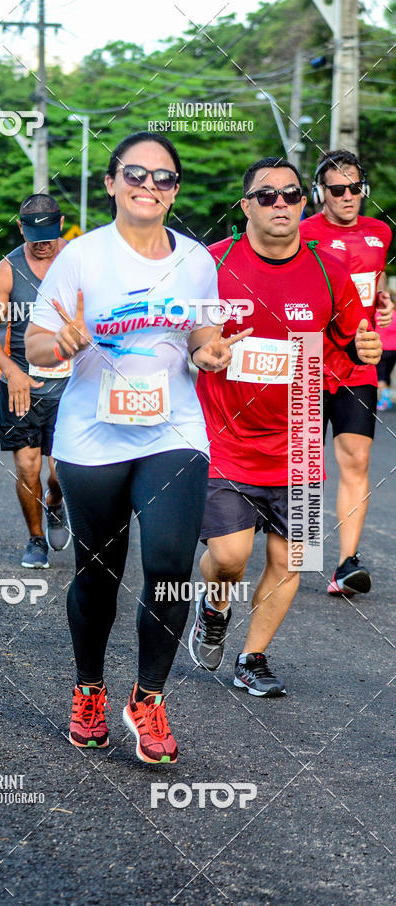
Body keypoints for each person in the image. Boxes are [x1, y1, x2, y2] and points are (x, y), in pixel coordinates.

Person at [26, 131, 246, 764]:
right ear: (112, 183)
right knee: (99, 573)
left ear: (175, 191)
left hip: (173, 431)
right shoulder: (80, 259)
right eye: (137, 175)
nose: (149, 187)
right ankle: (88, 688)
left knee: (173, 565)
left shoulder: (197, 259)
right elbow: (37, 347)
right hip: (92, 438)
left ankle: (147, 698)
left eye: (163, 179)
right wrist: (61, 344)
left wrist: (210, 351)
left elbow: (204, 334)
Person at [189, 157, 381, 696]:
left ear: (304, 203)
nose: (280, 204)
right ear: (245, 204)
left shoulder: (328, 271)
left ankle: (252, 657)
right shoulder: (214, 263)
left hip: (298, 431)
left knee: (292, 557)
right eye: (266, 195)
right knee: (228, 558)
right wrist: (204, 353)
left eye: (291, 195)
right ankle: (215, 602)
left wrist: (366, 347)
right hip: (225, 434)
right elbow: (188, 340)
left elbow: (352, 340)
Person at [300, 151, 393, 595]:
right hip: (310, 360)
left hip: (358, 364)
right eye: (337, 189)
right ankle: (295, 552)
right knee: (303, 465)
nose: (347, 196)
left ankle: (345, 564)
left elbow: (373, 284)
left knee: (356, 458)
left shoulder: (381, 232)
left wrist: (383, 300)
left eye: (355, 188)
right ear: (321, 193)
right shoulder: (302, 234)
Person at [0, 194, 71, 569]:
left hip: (71, 383)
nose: (42, 242)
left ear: (61, 223)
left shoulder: (80, 261)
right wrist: (12, 370)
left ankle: (55, 500)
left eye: (48, 233)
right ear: (20, 228)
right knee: (27, 466)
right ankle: (35, 540)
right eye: (34, 234)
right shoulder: (7, 270)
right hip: (21, 384)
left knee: (62, 470)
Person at [376, 310, 396, 410]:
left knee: (380, 376)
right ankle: (386, 396)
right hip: (394, 350)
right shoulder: (395, 314)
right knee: (386, 374)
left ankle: (385, 399)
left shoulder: (377, 314)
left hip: (382, 349)